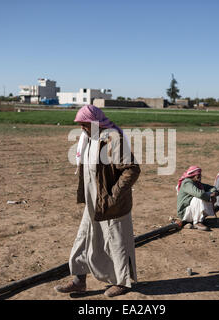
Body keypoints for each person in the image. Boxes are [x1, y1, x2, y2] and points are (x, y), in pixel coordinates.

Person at [54, 105, 140, 298]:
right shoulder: (88, 138)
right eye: (81, 125)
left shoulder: (113, 139)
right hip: (93, 202)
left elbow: (132, 169)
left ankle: (122, 283)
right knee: (83, 238)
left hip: (113, 204)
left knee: (117, 242)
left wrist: (114, 196)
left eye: (85, 124)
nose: (82, 128)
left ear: (95, 122)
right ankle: (79, 280)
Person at [176, 166, 219, 231]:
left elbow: (211, 187)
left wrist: (213, 192)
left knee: (208, 195)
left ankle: (198, 219)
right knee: (199, 198)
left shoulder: (197, 183)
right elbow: (199, 194)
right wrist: (210, 196)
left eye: (199, 174)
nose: (199, 176)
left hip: (190, 211)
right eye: (198, 175)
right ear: (192, 175)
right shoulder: (187, 183)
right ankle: (197, 222)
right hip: (184, 212)